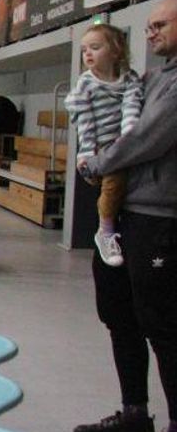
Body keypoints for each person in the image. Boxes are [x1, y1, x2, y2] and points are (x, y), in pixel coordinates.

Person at [75, 0, 177, 432]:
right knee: (119, 313)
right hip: (125, 212)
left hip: (159, 217)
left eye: (160, 24)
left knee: (163, 324)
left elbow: (145, 139)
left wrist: (97, 163)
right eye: (149, 25)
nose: (151, 32)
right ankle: (135, 413)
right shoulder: (152, 78)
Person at [63, 24, 143, 267]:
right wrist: (86, 153)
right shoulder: (85, 83)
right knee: (113, 182)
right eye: (84, 49)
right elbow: (85, 122)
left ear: (116, 51)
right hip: (99, 145)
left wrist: (127, 139)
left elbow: (131, 109)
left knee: (123, 182)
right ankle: (105, 231)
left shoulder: (130, 78)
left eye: (95, 47)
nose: (87, 53)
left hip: (122, 142)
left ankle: (114, 225)